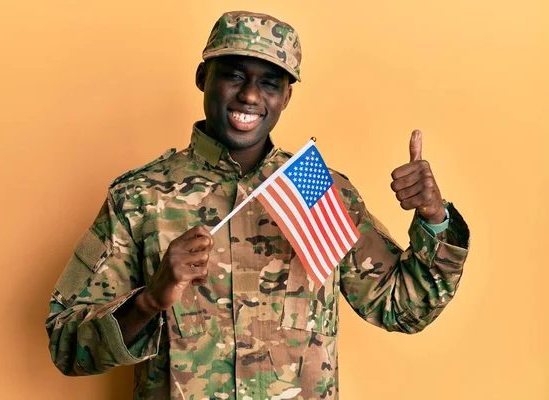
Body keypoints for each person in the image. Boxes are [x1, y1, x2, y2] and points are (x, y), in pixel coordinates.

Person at [46, 10, 470, 400]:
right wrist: (149, 300)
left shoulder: (318, 189)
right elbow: (68, 348)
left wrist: (434, 219)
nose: (250, 95)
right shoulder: (140, 198)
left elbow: (403, 308)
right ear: (202, 77)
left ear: (286, 96)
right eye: (233, 75)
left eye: (269, 82)